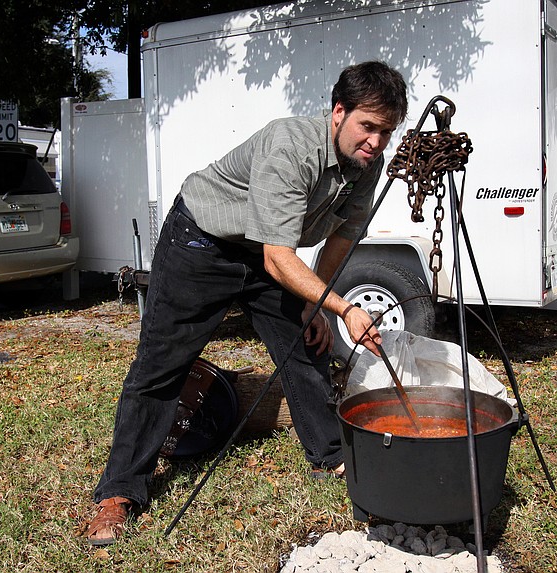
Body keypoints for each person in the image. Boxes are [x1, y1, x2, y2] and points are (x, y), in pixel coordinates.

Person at [85, 61, 408, 546]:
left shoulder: (365, 163)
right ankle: (118, 492)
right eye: (368, 126)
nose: (376, 142)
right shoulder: (290, 145)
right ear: (338, 112)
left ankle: (329, 456)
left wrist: (316, 305)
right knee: (162, 364)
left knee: (304, 344)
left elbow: (345, 233)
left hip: (260, 250)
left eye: (386, 132)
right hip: (201, 242)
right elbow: (281, 259)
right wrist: (343, 307)